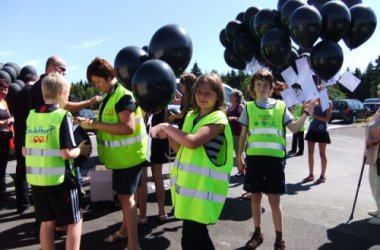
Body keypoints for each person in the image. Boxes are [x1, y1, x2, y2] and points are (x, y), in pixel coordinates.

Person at [151, 73, 234, 249]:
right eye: (199, 92)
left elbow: (193, 141)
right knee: (197, 239)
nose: (203, 97)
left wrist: (167, 126)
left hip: (204, 191)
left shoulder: (218, 119)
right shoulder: (191, 116)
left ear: (218, 95)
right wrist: (170, 136)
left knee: (191, 240)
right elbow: (181, 149)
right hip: (190, 192)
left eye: (208, 93)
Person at [237, 69, 316, 250]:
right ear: (253, 88)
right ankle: (258, 233)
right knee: (255, 197)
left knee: (274, 200)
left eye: (266, 85)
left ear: (271, 88)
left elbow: (295, 129)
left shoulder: (280, 107)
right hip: (254, 160)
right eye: (258, 84)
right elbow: (242, 136)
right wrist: (239, 156)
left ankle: (279, 239)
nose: (262, 88)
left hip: (275, 162)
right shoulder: (248, 107)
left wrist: (306, 112)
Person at [80, 57, 147, 250]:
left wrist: (95, 124)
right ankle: (124, 231)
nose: (96, 86)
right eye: (93, 83)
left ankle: (133, 245)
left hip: (128, 158)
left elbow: (127, 128)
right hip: (120, 158)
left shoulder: (123, 96)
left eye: (98, 82)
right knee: (125, 199)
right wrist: (90, 123)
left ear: (109, 76)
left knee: (127, 201)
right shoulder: (110, 95)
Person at [23, 72, 91, 250]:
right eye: (68, 95)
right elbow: (67, 153)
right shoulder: (62, 116)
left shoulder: (32, 116)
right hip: (61, 181)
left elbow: (24, 151)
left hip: (37, 182)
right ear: (62, 94)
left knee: (46, 222)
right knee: (75, 220)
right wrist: (81, 150)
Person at [31, 55, 102, 113]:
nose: (64, 73)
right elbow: (64, 106)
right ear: (51, 67)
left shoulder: (40, 84)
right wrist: (89, 102)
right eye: (62, 69)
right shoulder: (46, 84)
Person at [137, 109, 171, 224]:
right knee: (158, 176)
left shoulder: (141, 96)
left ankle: (142, 216)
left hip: (144, 137)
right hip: (159, 136)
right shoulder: (163, 96)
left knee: (143, 178)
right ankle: (162, 213)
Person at [13, 72, 39, 214]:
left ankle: (23, 203)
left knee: (21, 169)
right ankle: (37, 199)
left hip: (19, 136)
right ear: (35, 80)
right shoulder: (35, 93)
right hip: (34, 135)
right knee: (36, 168)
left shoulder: (16, 94)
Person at [302, 96, 332, 185]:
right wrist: (305, 105)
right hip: (312, 129)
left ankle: (322, 176)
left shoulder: (328, 103)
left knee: (322, 154)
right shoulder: (312, 101)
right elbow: (306, 111)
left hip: (322, 130)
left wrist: (315, 116)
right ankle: (311, 175)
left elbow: (327, 119)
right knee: (310, 153)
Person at [0, 78, 13, 202]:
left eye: (6, 89)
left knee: (3, 166)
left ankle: (3, 192)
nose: (4, 91)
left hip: (5, 138)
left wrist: (10, 121)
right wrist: (3, 122)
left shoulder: (4, 102)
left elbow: (9, 116)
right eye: (2, 89)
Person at [227, 89, 245, 176]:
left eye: (232, 95)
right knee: (235, 151)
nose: (230, 96)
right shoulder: (230, 106)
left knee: (239, 152)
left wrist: (234, 118)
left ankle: (242, 170)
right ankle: (241, 169)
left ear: (237, 97)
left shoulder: (240, 106)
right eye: (230, 95)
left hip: (239, 132)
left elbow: (245, 119)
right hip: (231, 132)